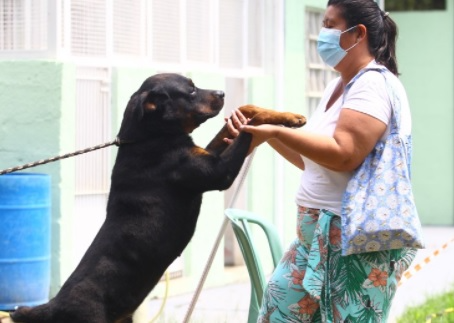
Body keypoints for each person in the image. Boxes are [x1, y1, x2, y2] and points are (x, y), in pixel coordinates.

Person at [225, 0, 418, 322]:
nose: (322, 35)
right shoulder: (338, 85)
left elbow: (344, 154)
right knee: (277, 314)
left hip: (351, 240)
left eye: (330, 25)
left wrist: (278, 131)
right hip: (312, 236)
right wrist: (266, 135)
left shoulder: (372, 85)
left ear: (358, 33)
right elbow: (313, 160)